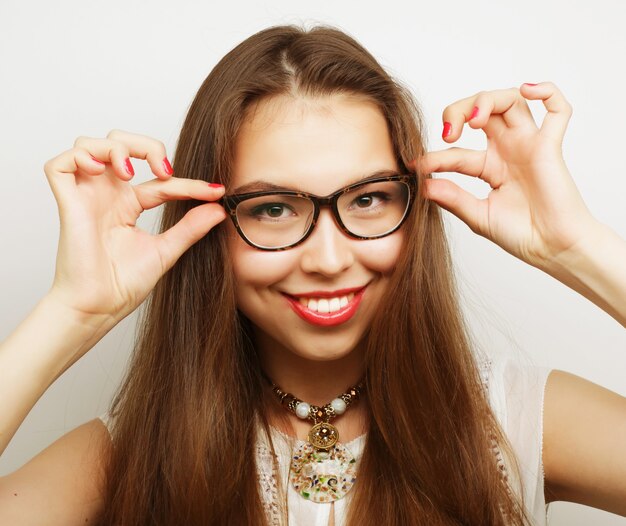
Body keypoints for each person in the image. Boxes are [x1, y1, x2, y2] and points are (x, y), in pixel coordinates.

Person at [0, 24, 624, 526]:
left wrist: (576, 247)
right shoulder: (120, 461)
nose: (328, 259)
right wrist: (73, 310)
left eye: (369, 199)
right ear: (207, 225)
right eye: (274, 209)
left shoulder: (518, 419)